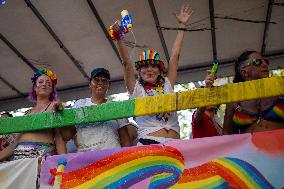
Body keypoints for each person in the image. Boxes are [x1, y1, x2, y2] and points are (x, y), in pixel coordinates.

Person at [112, 5, 193, 145]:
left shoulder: (167, 83)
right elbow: (126, 63)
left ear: (160, 70)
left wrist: (182, 26)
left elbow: (175, 56)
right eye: (145, 66)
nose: (149, 70)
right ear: (139, 71)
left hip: (176, 145)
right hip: (149, 144)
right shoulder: (136, 89)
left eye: (153, 66)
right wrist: (119, 37)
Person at [0, 68, 66, 161]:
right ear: (35, 88)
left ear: (51, 89)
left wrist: (63, 164)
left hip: (40, 159)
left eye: (48, 83)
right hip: (18, 160)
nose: (44, 84)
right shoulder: (27, 113)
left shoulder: (53, 106)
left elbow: (59, 139)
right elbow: (15, 143)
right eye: (40, 82)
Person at [61, 68, 132, 152]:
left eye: (104, 80)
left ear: (109, 85)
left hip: (112, 157)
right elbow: (68, 135)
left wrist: (124, 160)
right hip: (86, 158)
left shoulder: (116, 106)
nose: (100, 82)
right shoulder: (80, 104)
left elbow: (125, 139)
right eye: (96, 80)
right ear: (90, 84)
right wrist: (61, 114)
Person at [223, 50, 284, 134]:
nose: (265, 64)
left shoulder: (281, 87)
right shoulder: (234, 98)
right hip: (248, 147)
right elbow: (226, 133)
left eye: (266, 61)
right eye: (258, 62)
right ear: (244, 72)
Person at [191, 71, 223, 138]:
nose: (211, 98)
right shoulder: (199, 117)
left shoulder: (219, 123)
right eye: (208, 96)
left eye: (213, 95)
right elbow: (199, 113)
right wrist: (207, 86)